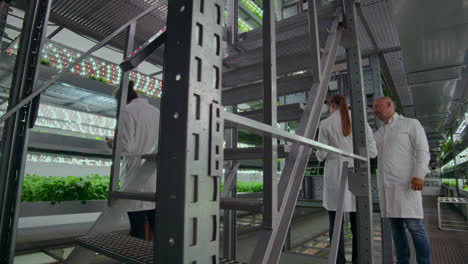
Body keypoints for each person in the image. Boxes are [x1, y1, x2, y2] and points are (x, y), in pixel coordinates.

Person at [316, 94, 377, 264]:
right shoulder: (360, 122)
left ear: (331, 106)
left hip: (335, 174)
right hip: (356, 172)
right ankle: (359, 259)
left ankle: (339, 260)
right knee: (358, 221)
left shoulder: (325, 123)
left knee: (336, 223)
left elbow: (321, 155)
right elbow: (372, 152)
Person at [372, 96, 431, 264]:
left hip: (407, 185)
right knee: (396, 230)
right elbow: (369, 151)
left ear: (389, 104)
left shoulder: (410, 124)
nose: (374, 110)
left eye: (377, 106)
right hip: (388, 189)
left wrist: (419, 174)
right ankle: (402, 261)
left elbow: (423, 151)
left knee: (415, 227)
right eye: (373, 107)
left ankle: (424, 262)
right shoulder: (379, 133)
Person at [106, 80, 160, 240]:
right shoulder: (156, 112)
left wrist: (112, 144)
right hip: (155, 176)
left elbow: (125, 148)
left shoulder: (127, 111)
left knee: (137, 232)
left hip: (135, 176)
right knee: (159, 228)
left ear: (121, 99)